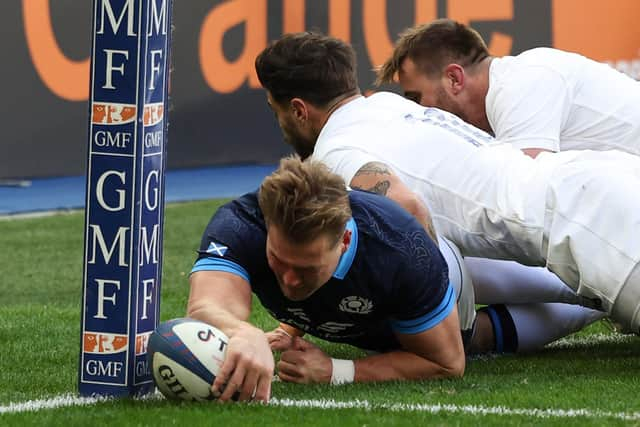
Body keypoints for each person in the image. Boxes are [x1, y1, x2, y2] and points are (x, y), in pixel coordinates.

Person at [253, 32, 640, 335]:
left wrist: (440, 316)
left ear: (299, 110)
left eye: (275, 111)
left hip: (587, 222)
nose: (280, 122)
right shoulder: (391, 106)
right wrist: (298, 325)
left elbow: (409, 209)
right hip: (597, 185)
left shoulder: (336, 153)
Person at [189, 157, 471, 402]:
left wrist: (335, 371)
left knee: (482, 336)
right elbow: (207, 305)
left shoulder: (403, 254)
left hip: (451, 275)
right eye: (278, 259)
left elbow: (446, 364)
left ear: (344, 242)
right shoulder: (241, 224)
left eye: (306, 269)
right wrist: (241, 331)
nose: (289, 281)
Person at [376, 18, 640, 158]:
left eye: (416, 98)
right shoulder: (516, 87)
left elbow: (526, 202)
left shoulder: (522, 84)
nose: (416, 111)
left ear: (455, 79)